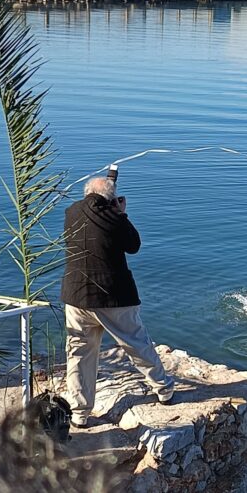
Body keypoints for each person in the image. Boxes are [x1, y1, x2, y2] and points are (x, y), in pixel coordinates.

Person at [61, 176, 174, 429]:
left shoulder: (71, 212)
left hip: (76, 296)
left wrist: (110, 206)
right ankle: (163, 389)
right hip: (111, 296)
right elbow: (133, 245)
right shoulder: (114, 217)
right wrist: (121, 213)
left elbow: (92, 215)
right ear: (112, 200)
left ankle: (79, 413)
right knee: (136, 343)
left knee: (79, 353)